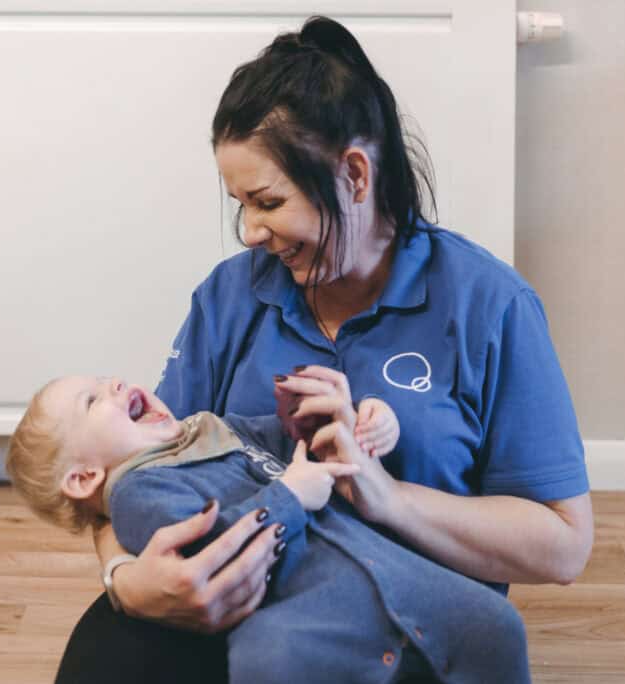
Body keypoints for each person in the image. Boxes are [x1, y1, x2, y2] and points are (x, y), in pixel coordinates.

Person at [56, 15, 594, 684]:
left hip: (414, 622)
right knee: (103, 657)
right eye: (239, 204)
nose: (250, 232)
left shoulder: (490, 305)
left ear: (356, 175)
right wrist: (129, 579)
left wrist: (387, 497)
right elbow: (136, 474)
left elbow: (564, 545)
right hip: (257, 607)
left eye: (268, 200)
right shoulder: (229, 299)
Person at [7, 372, 531, 684]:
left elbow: (288, 443)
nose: (114, 384)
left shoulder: (211, 429)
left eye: (104, 378)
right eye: (93, 400)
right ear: (84, 478)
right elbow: (213, 550)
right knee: (273, 661)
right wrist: (290, 495)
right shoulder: (140, 492)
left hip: (388, 570)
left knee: (496, 625)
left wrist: (346, 424)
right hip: (300, 608)